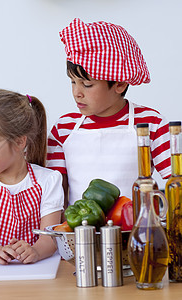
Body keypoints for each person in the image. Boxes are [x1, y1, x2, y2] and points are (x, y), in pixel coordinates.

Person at [47, 18, 171, 211]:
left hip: (136, 233)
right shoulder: (63, 128)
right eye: (73, 82)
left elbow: (176, 181)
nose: (76, 92)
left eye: (87, 85)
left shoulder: (150, 124)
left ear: (120, 84)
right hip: (80, 234)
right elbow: (55, 194)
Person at [0, 89, 64, 265]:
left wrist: (35, 251)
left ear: (19, 142)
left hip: (36, 271)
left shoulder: (48, 181)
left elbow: (50, 237)